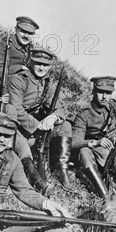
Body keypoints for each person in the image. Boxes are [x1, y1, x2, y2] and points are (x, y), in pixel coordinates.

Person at [8, 47, 72, 185]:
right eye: (38, 63)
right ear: (31, 62)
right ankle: (34, 178)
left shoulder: (46, 84)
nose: (41, 68)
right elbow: (16, 110)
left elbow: (59, 109)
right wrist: (38, 126)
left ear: (50, 67)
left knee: (64, 126)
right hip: (17, 125)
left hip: (34, 127)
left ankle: (60, 170)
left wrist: (53, 117)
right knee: (23, 148)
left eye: (45, 65)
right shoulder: (18, 79)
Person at [72, 76, 116, 197]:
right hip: (92, 157)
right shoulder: (83, 114)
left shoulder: (114, 109)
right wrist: (95, 142)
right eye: (101, 92)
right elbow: (74, 142)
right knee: (83, 152)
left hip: (112, 158)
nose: (104, 97)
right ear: (94, 91)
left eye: (108, 93)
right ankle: (103, 195)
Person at [0, 16, 38, 89]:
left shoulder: (30, 49)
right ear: (16, 29)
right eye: (23, 31)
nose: (26, 36)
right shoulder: (2, 44)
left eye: (30, 33)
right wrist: (20, 68)